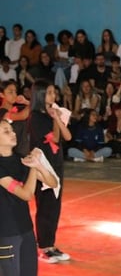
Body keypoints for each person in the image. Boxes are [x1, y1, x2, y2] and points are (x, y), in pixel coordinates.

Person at [0, 119, 59, 276]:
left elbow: (53, 183)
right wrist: (34, 168)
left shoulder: (19, 158)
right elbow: (25, 193)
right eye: (5, 131)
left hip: (25, 231)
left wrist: (38, 166)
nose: (11, 133)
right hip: (6, 234)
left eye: (11, 130)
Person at [28, 80, 72, 264]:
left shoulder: (50, 114)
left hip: (56, 162)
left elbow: (66, 136)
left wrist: (57, 117)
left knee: (55, 205)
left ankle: (51, 245)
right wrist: (54, 119)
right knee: (45, 205)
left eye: (54, 92)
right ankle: (44, 247)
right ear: (40, 95)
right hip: (43, 165)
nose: (53, 96)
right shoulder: (37, 117)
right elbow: (53, 137)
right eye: (49, 93)